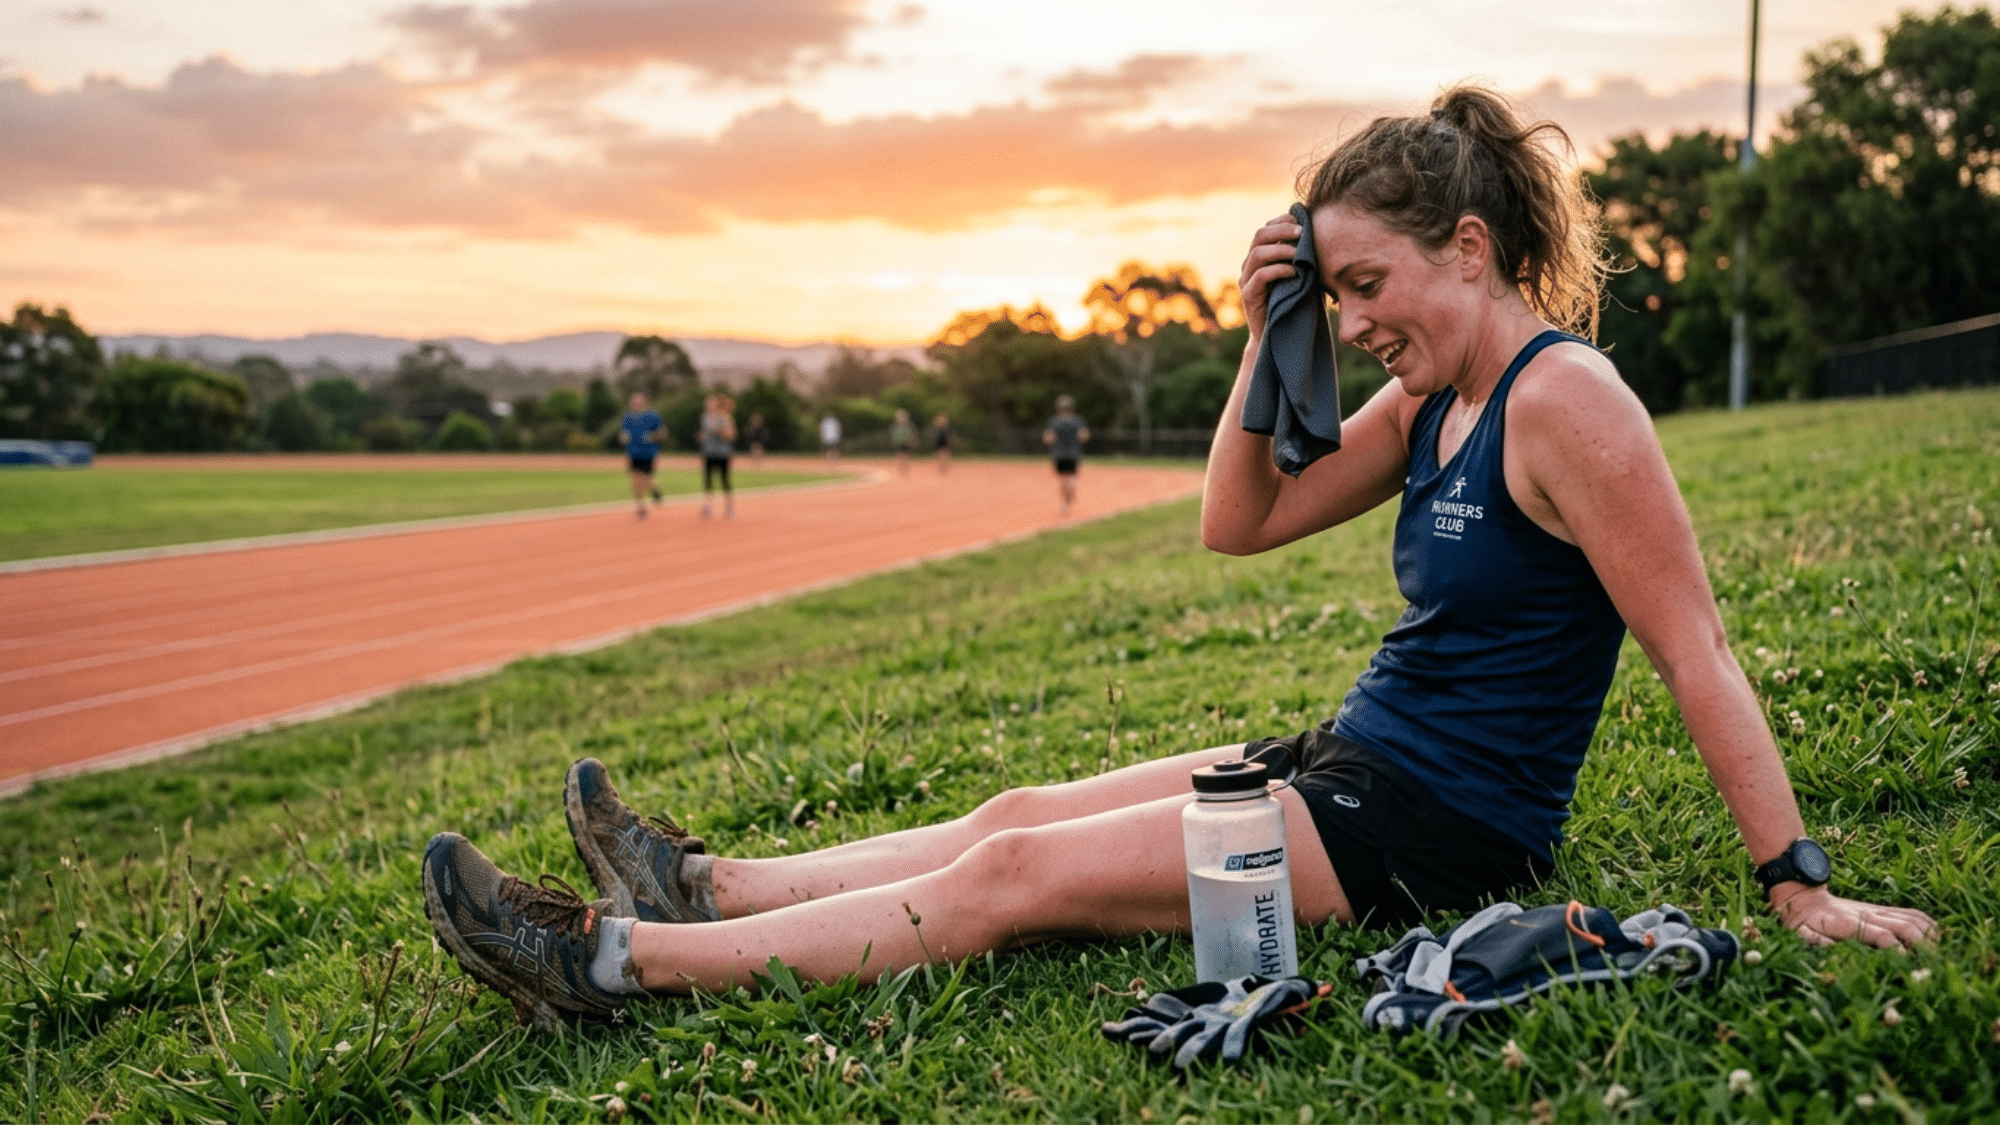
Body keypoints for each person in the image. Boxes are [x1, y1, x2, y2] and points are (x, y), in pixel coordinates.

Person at [421, 85, 1933, 1032]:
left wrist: (1793, 883)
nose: (1353, 322)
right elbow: (1242, 522)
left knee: (1016, 874)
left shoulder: (1570, 402)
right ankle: (706, 882)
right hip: (1353, 761)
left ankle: (616, 965)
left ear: (1470, 250)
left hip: (1435, 831)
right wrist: (1258, 337)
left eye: (1368, 284)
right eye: (1331, 294)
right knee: (1014, 806)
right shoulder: (1434, 401)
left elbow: (1698, 650)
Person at [1042, 395, 1090, 516]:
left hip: (1059, 454)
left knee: (1062, 479)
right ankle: (1071, 486)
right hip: (1073, 454)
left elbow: (1048, 438)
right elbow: (1084, 436)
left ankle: (1065, 503)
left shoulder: (1054, 421)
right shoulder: (1077, 421)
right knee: (1072, 476)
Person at [618, 393, 664, 520]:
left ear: (644, 402)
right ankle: (640, 508)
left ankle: (655, 489)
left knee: (645, 479)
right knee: (635, 480)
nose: (636, 404)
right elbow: (623, 433)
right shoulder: (628, 418)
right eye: (634, 402)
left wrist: (652, 437)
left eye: (638, 401)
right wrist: (623, 438)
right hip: (633, 453)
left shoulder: (652, 416)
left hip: (648, 453)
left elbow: (662, 433)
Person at [699, 393, 736, 519]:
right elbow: (704, 434)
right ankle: (708, 507)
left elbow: (731, 435)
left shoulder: (725, 418)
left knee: (725, 480)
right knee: (708, 480)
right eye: (708, 403)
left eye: (712, 403)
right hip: (708, 452)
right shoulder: (704, 418)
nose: (710, 405)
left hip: (723, 452)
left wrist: (719, 431)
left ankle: (730, 507)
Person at [888, 408, 917, 475]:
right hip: (898, 443)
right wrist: (893, 441)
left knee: (905, 456)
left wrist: (912, 441)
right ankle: (901, 468)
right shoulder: (894, 426)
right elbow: (893, 435)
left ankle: (905, 466)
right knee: (899, 456)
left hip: (906, 443)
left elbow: (912, 434)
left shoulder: (909, 426)